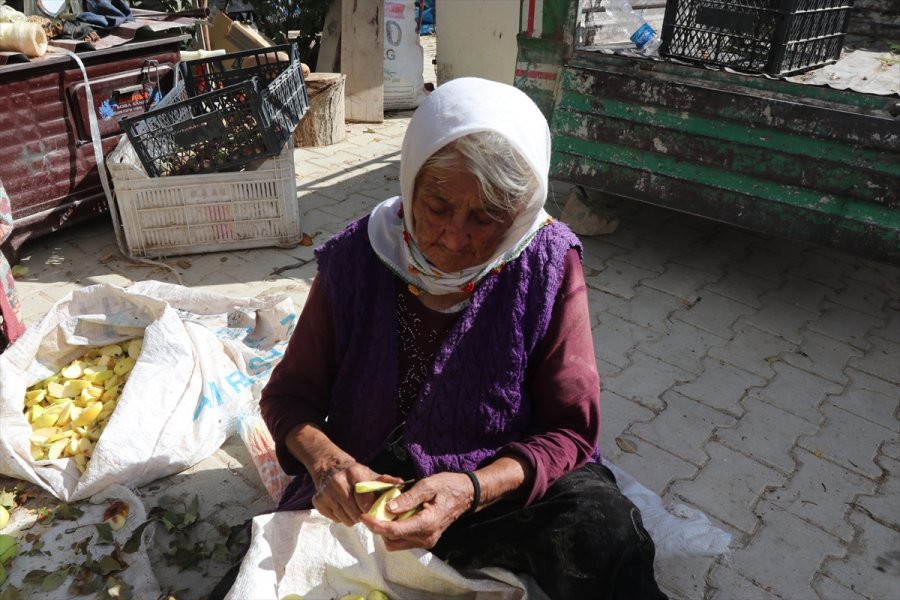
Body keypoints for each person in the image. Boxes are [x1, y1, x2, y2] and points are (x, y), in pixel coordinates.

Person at [259, 77, 666, 599]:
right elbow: (290, 397)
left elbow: (570, 430)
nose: (454, 237)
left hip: (493, 491)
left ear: (519, 213)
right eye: (437, 206)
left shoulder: (546, 262)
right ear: (410, 182)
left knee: (602, 527)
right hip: (369, 499)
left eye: (487, 216)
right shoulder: (357, 257)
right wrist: (329, 465)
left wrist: (472, 489)